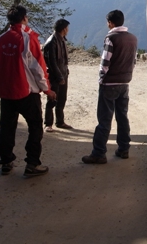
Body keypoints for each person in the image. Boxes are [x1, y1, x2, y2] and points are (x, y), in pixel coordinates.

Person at [0, 5, 56, 177]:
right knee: (35, 127)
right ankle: (32, 164)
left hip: (6, 92)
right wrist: (47, 89)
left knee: (7, 127)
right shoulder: (28, 38)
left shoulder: (0, 39)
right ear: (24, 18)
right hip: (27, 93)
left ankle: (6, 162)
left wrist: (6, 72)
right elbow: (38, 69)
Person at [82, 10, 138, 164]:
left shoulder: (111, 38)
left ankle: (99, 153)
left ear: (111, 23)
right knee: (122, 117)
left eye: (108, 22)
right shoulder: (132, 38)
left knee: (104, 119)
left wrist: (101, 78)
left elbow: (105, 61)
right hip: (124, 83)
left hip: (109, 84)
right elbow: (134, 61)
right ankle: (123, 148)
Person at [43, 19, 73, 132]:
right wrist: (59, 76)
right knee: (52, 99)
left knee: (62, 99)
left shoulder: (61, 40)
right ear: (64, 29)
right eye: (67, 28)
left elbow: (63, 60)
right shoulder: (52, 42)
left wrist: (65, 72)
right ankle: (48, 123)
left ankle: (60, 122)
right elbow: (51, 62)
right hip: (55, 76)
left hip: (63, 74)